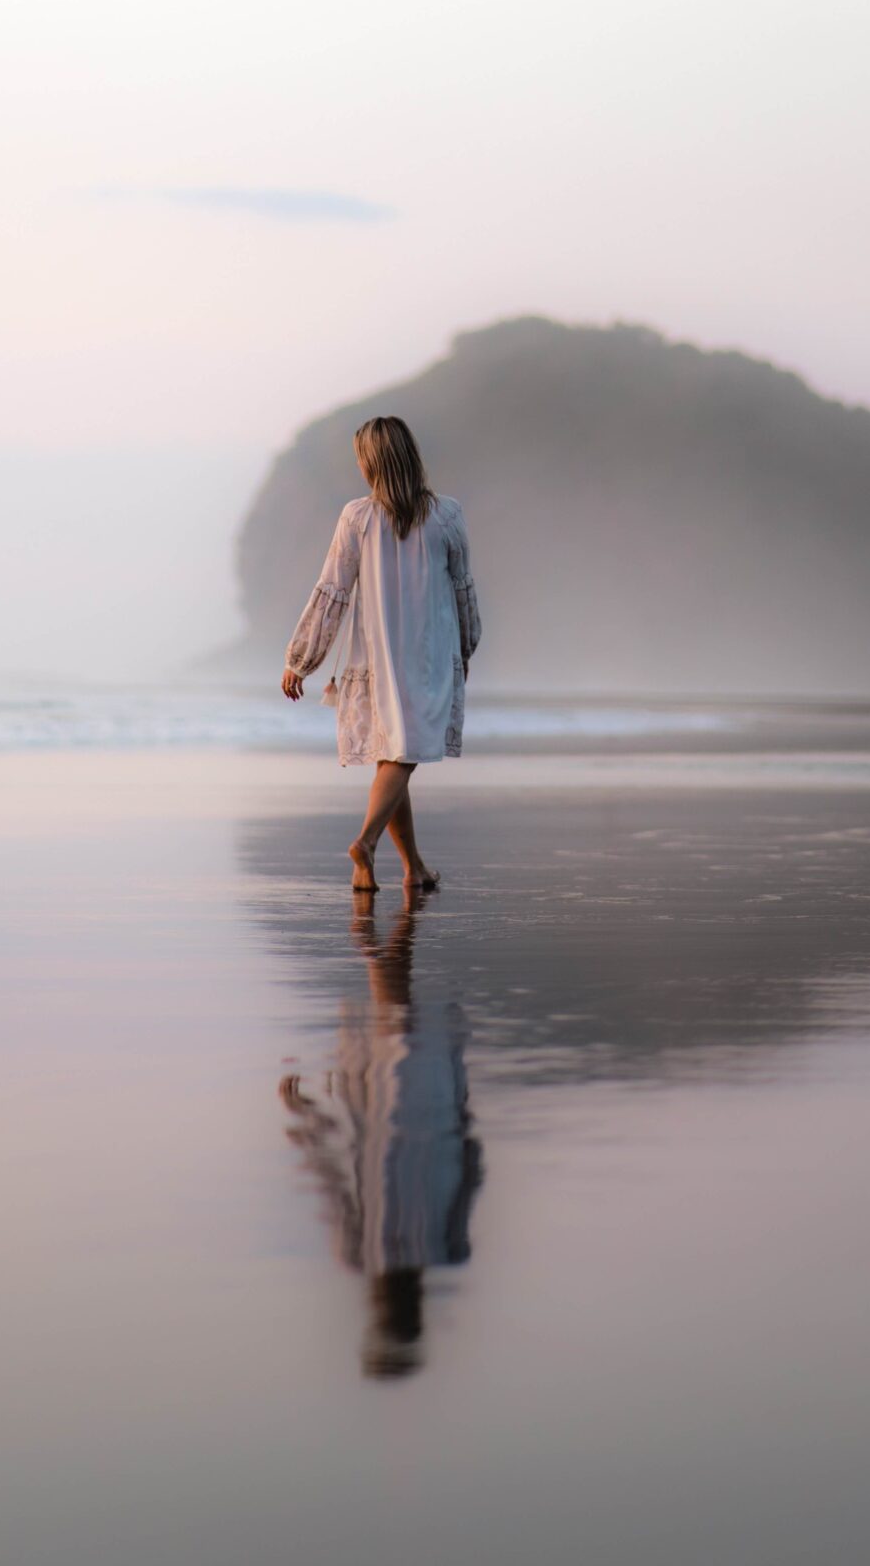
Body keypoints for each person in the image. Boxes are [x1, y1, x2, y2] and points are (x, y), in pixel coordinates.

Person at [278, 897, 483, 1378]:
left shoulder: (450, 1251)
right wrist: (304, 1116)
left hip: (427, 1104)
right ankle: (393, 894)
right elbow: (331, 1177)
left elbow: (473, 1170)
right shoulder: (360, 1254)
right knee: (392, 989)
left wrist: (463, 1110)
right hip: (395, 1103)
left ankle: (395, 890)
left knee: (394, 991)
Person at [281, 415, 481, 895]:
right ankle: (367, 843)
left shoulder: (358, 517)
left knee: (393, 756)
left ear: (372, 464)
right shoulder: (446, 516)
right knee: (402, 755)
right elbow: (463, 591)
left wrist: (301, 658)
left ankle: (414, 868)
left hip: (375, 656)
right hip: (428, 656)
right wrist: (467, 645)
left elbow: (332, 591)